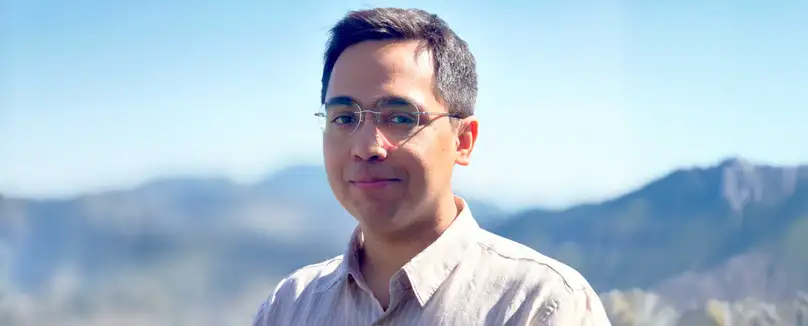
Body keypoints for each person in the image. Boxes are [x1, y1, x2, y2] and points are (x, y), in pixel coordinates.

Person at [253, 7, 611, 326]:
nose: (366, 147)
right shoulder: (290, 306)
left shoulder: (540, 306)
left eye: (399, 118)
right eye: (345, 118)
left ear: (463, 140)